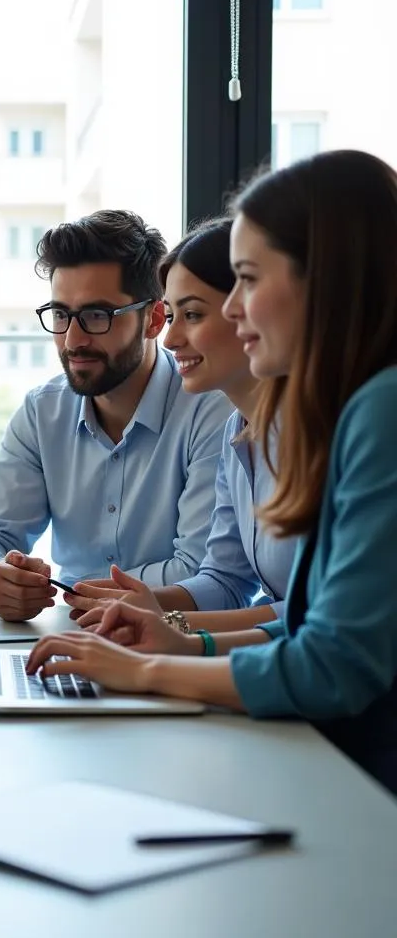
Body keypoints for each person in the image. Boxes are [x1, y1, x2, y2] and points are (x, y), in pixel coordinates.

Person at [27, 150, 397, 795]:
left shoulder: (380, 411)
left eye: (248, 280)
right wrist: (176, 636)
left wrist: (143, 670)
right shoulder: (348, 408)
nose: (236, 313)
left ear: (324, 278)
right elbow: (313, 622)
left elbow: (330, 663)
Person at [0, 209, 233, 621]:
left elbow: (202, 574)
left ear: (154, 319)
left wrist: (80, 591)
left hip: (171, 638)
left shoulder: (211, 408)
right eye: (62, 315)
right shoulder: (43, 410)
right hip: (72, 631)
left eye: (97, 316)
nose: (72, 339)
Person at [68, 218, 298, 632]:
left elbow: (320, 615)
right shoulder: (237, 433)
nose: (170, 339)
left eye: (191, 314)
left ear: (249, 311)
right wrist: (141, 605)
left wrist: (178, 633)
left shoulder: (324, 434)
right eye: (171, 315)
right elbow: (226, 581)